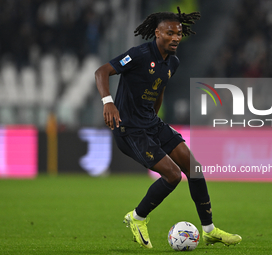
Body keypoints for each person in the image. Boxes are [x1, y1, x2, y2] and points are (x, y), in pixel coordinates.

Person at [94, 7, 242, 249]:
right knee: (173, 175)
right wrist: (108, 103)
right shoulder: (139, 54)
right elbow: (102, 72)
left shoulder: (173, 62)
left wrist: (154, 115)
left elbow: (159, 87)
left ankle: (209, 230)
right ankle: (137, 217)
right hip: (129, 129)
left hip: (152, 123)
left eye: (179, 33)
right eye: (170, 33)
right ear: (157, 33)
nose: (175, 38)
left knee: (194, 168)